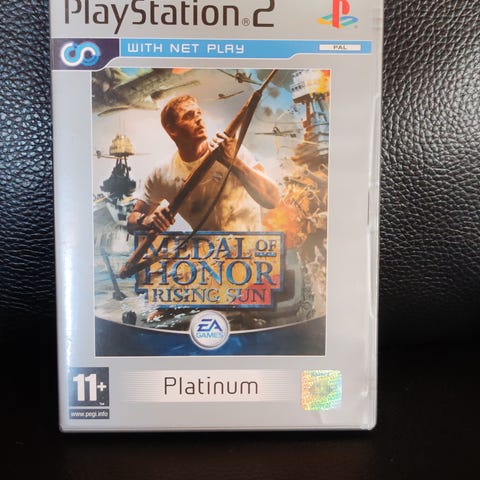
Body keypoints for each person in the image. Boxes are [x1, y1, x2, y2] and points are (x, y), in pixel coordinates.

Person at [127, 95, 280, 234]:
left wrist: (233, 162)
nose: (199, 119)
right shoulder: (163, 172)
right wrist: (147, 220)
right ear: (172, 130)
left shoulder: (230, 150)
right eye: (189, 116)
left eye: (199, 113)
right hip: (207, 252)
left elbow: (272, 199)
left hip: (248, 248)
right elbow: (132, 222)